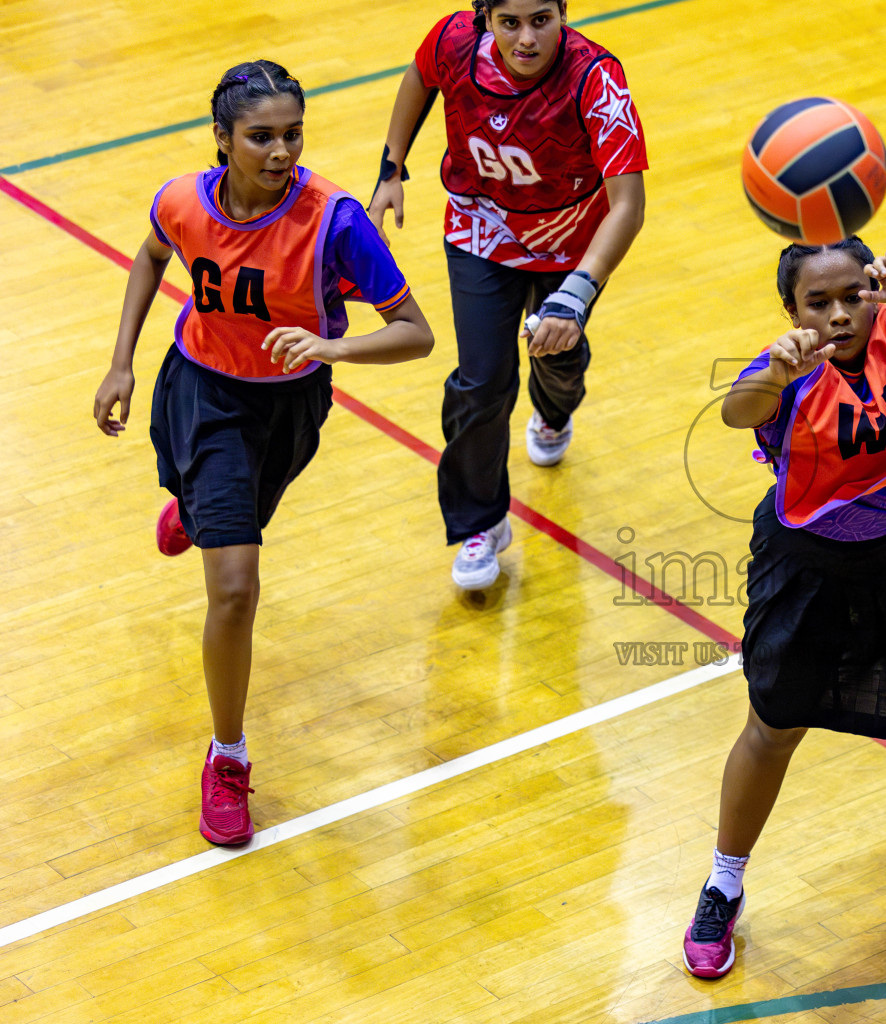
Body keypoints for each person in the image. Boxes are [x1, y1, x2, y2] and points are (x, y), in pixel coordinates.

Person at [92, 60, 434, 845]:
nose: (280, 152)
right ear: (223, 139)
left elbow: (416, 333)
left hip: (289, 407)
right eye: (260, 137)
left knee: (229, 529)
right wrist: (121, 362)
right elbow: (150, 256)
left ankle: (196, 516)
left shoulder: (335, 223)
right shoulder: (182, 200)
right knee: (237, 588)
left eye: (292, 134)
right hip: (204, 392)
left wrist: (330, 348)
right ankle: (228, 757)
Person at [681, 236, 886, 980]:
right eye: (817, 302)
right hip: (811, 571)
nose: (839, 314)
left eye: (851, 296)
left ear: (874, 291)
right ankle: (722, 884)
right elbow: (738, 413)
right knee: (773, 728)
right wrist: (774, 371)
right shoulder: (782, 371)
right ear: (793, 311)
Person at [368, 0, 647, 591]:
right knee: (482, 381)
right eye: (509, 23)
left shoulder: (597, 79)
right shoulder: (452, 42)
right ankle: (482, 521)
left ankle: (554, 413)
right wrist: (391, 169)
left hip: (571, 243)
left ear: (564, 13)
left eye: (542, 20)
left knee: (559, 361)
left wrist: (577, 295)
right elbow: (420, 76)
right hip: (481, 231)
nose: (526, 38)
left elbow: (627, 205)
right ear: (483, 18)